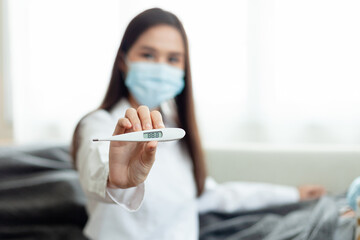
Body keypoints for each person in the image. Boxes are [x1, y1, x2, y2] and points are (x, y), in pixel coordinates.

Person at [71, 8, 325, 240]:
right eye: (148, 54)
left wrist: (293, 195)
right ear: (123, 61)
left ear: (184, 68)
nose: (160, 67)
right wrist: (118, 180)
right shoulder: (97, 125)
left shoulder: (175, 129)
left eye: (173, 59)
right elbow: (96, 168)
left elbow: (210, 195)